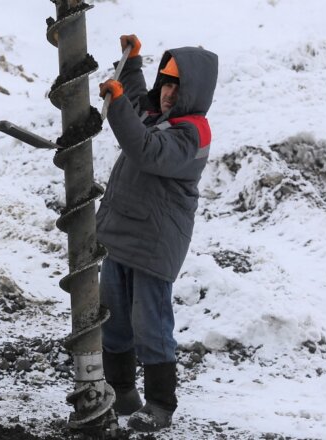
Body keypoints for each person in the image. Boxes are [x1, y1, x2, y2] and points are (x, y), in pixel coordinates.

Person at [96, 35, 218, 432]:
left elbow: (145, 150)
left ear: (194, 93)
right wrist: (130, 64)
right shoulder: (158, 116)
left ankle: (161, 404)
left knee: (150, 325)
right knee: (113, 320)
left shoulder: (192, 134)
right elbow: (135, 101)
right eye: (165, 83)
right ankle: (122, 392)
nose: (168, 93)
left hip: (154, 244)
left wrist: (114, 104)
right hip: (122, 236)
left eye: (177, 86)